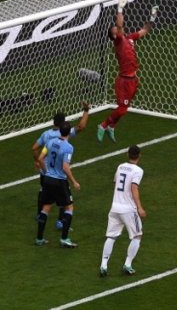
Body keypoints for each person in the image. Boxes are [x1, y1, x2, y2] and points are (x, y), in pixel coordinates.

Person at [97, 0, 158, 143]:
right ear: (114, 35)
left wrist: (153, 16)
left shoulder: (129, 38)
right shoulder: (117, 42)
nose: (118, 30)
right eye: (115, 30)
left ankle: (112, 127)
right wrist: (119, 8)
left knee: (125, 108)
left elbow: (145, 30)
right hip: (124, 81)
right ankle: (103, 125)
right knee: (122, 108)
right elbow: (119, 25)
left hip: (133, 80)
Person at [32, 103, 89, 231]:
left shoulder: (46, 134)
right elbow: (81, 126)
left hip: (45, 171)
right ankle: (61, 222)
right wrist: (86, 111)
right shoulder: (64, 132)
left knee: (44, 193)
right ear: (64, 123)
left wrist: (37, 161)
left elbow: (34, 148)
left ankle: (39, 216)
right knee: (64, 198)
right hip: (59, 173)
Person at [99, 145, 146, 276]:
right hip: (129, 209)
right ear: (139, 156)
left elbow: (115, 183)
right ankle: (128, 264)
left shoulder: (120, 167)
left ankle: (103, 265)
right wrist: (140, 207)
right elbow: (134, 188)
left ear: (127, 154)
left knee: (111, 236)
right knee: (137, 235)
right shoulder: (138, 170)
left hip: (115, 207)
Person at [35, 121, 81, 248]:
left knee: (46, 208)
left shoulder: (50, 142)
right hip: (60, 181)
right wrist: (74, 181)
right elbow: (65, 167)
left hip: (48, 179)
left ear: (60, 131)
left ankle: (39, 238)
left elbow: (40, 158)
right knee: (69, 208)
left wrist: (46, 171)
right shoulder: (68, 147)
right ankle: (64, 238)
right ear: (69, 132)